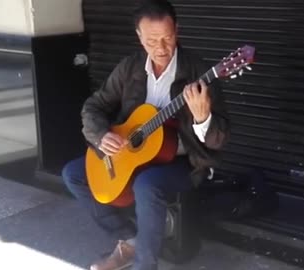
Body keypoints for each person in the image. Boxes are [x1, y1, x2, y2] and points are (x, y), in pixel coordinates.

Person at [61, 0, 230, 269]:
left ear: (178, 30)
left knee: (147, 185)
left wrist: (203, 118)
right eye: (152, 40)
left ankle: (145, 265)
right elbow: (94, 106)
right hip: (134, 154)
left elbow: (220, 139)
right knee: (73, 174)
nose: (161, 48)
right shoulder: (130, 67)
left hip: (186, 162)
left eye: (167, 38)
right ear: (139, 37)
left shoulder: (200, 72)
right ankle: (128, 240)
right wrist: (101, 134)